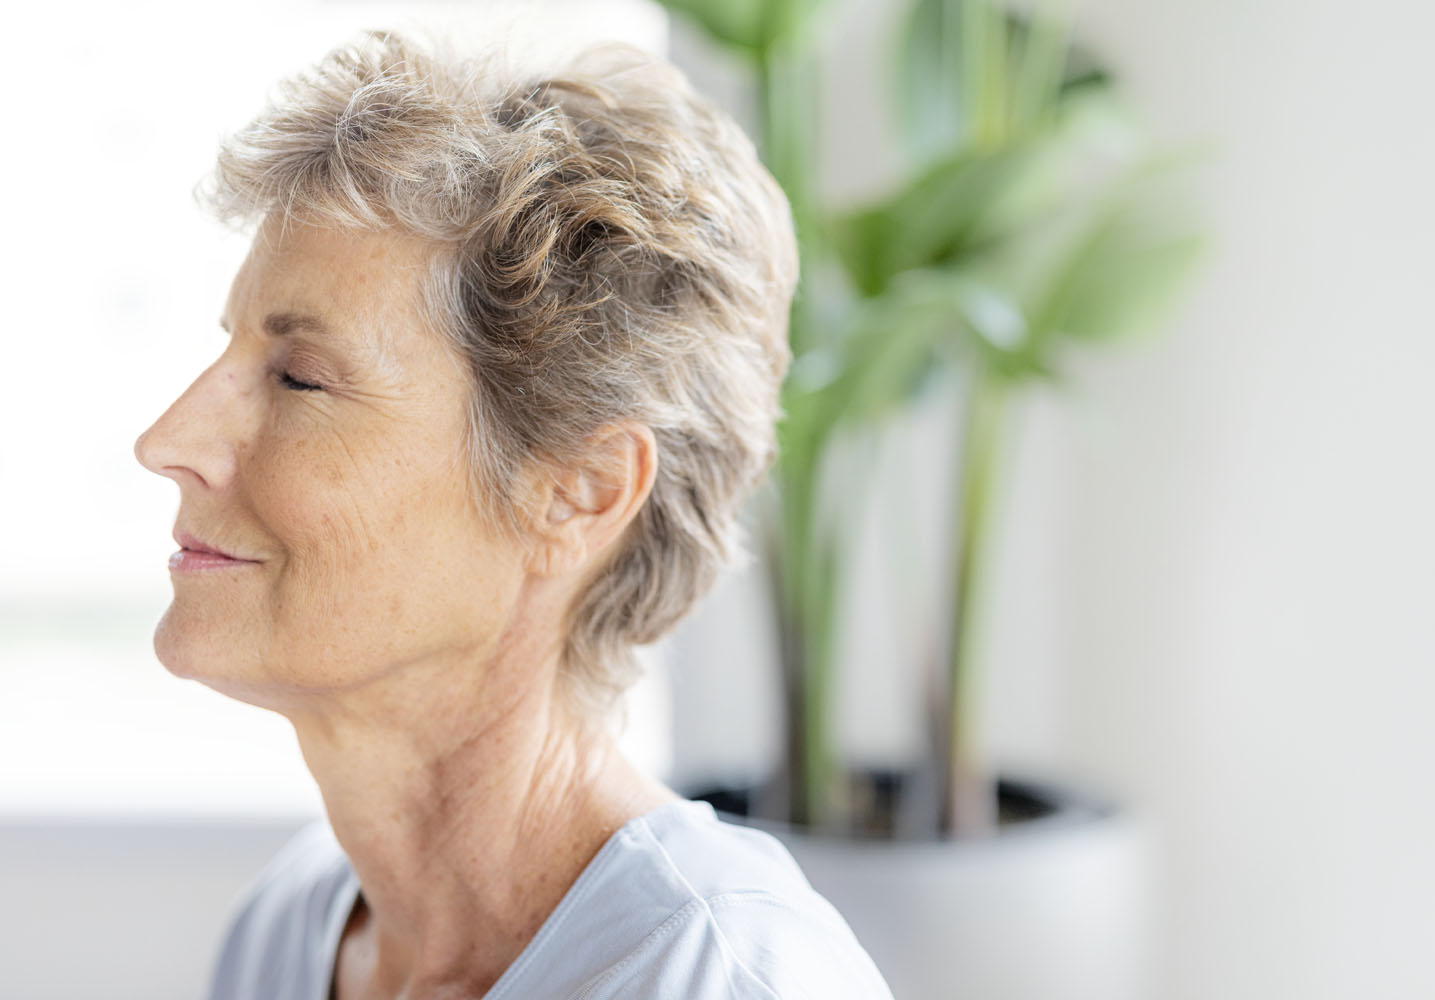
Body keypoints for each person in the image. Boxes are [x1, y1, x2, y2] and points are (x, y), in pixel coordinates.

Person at [134, 29, 893, 1000]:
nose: (168, 438)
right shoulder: (285, 934)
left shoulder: (722, 978)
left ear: (579, 490)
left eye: (300, 377)